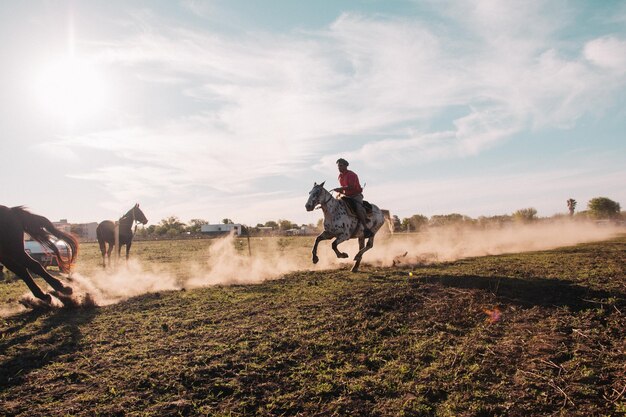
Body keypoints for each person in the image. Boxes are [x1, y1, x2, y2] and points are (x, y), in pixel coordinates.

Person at [332, 158, 373, 237]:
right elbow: (344, 189)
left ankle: (366, 228)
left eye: (340, 166)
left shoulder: (351, 175)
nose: (339, 168)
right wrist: (340, 191)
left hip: (356, 195)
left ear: (346, 166)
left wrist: (340, 189)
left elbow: (351, 186)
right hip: (346, 196)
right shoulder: (340, 176)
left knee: (358, 208)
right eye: (338, 166)